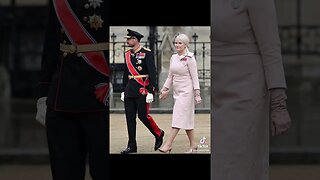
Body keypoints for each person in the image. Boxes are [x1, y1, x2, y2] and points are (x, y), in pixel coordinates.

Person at [212, 0, 292, 179]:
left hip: (245, 94)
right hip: (212, 92)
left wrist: (279, 104)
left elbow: (271, 49)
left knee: (237, 165)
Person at [35, 0, 110, 179]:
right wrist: (43, 94)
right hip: (64, 97)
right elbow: (51, 46)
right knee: (65, 172)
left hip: (102, 95)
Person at [120, 29, 164, 154]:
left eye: (129, 39)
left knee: (143, 116)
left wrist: (151, 91)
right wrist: (123, 90)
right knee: (129, 118)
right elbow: (125, 73)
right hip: (129, 90)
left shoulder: (147, 53)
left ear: (135, 39)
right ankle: (132, 145)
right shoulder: (128, 54)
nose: (127, 41)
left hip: (142, 90)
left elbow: (152, 73)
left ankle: (159, 133)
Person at [158, 33, 202, 153]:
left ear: (185, 44)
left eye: (180, 43)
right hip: (177, 92)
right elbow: (170, 76)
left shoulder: (190, 58)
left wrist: (197, 94)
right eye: (176, 42)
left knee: (177, 117)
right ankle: (193, 145)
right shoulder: (173, 57)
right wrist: (165, 89)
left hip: (187, 92)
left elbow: (195, 77)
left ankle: (168, 144)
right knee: (186, 119)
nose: (177, 45)